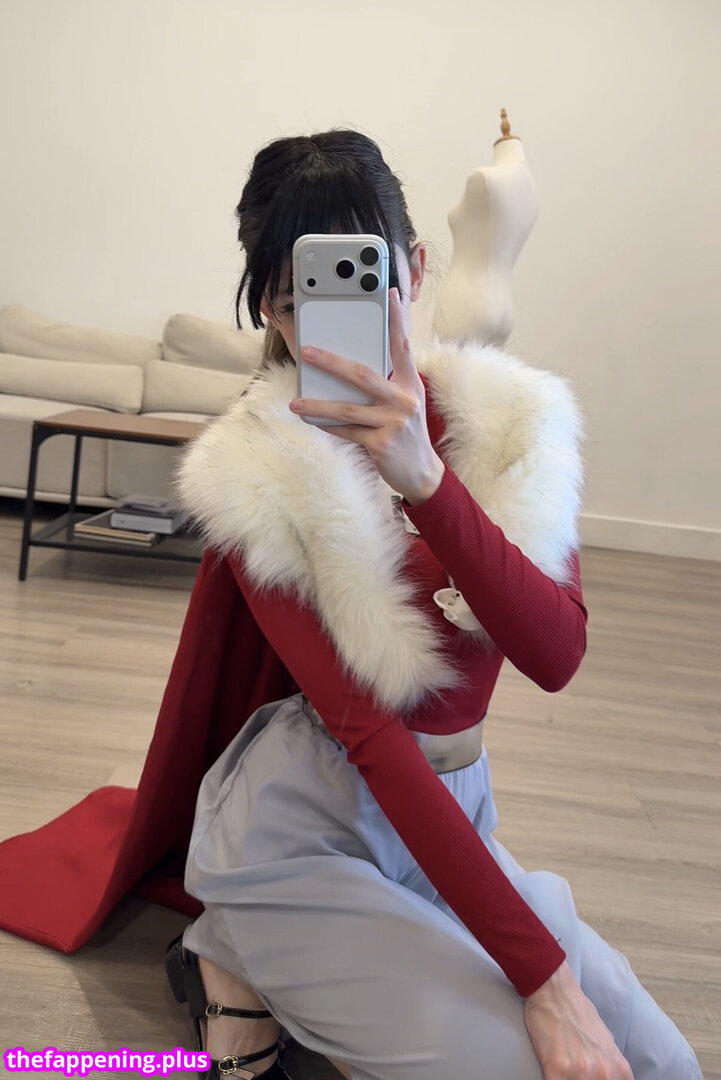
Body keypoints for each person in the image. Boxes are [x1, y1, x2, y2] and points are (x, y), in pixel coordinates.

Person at [164, 129, 703, 1080]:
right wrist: (544, 983)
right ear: (270, 313)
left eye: (360, 276)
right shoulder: (255, 466)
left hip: (453, 815)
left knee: (661, 1060)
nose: (327, 319)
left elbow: (554, 656)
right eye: (293, 299)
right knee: (518, 1066)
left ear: (412, 269)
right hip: (307, 815)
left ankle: (239, 953)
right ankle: (236, 932)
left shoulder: (514, 424)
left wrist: (427, 484)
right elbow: (368, 734)